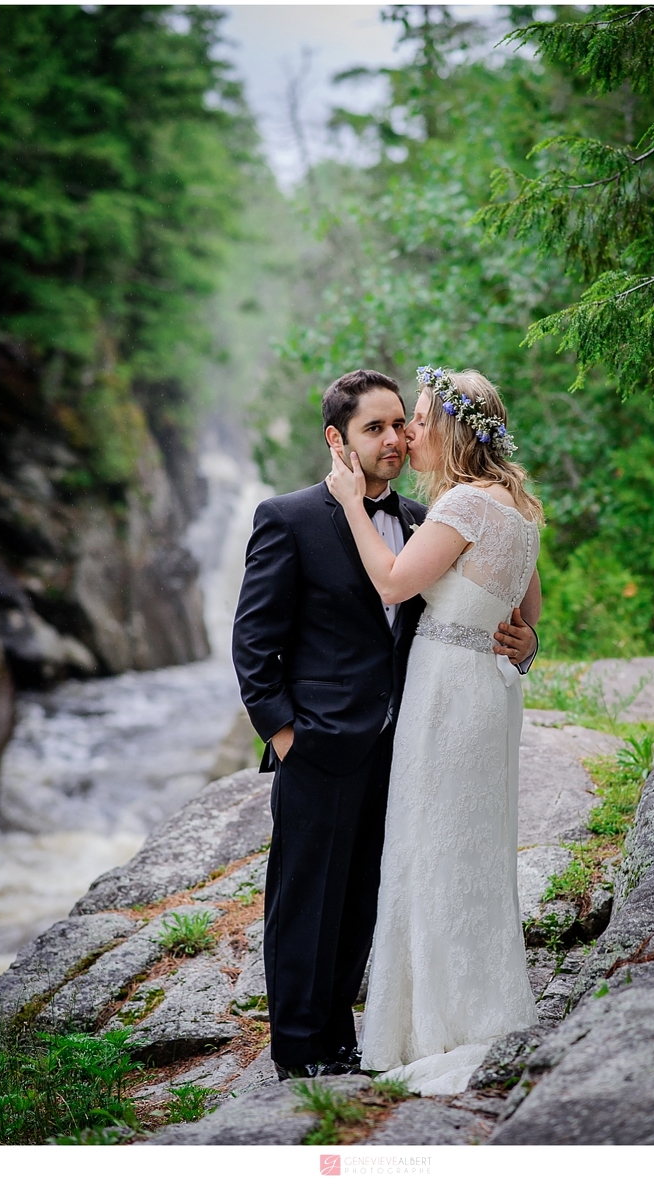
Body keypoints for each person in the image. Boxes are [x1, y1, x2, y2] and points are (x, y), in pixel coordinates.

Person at [232, 369, 538, 1080]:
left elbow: (484, 605)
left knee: (368, 896)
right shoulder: (291, 517)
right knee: (306, 900)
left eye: (403, 423)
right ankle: (301, 1052)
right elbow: (254, 643)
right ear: (337, 440)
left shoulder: (430, 519)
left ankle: (343, 1040)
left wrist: (526, 643)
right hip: (319, 740)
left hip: (407, 739)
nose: (397, 439)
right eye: (376, 428)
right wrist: (283, 733)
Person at [326, 366, 543, 1096]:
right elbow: (527, 618)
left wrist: (352, 503)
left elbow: (392, 582)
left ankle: (432, 1027)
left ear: (449, 429)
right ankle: (478, 1001)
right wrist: (527, 647)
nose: (409, 432)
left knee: (431, 845)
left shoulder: (460, 510)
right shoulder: (515, 507)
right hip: (486, 691)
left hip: (447, 696)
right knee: (471, 849)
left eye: (418, 417)